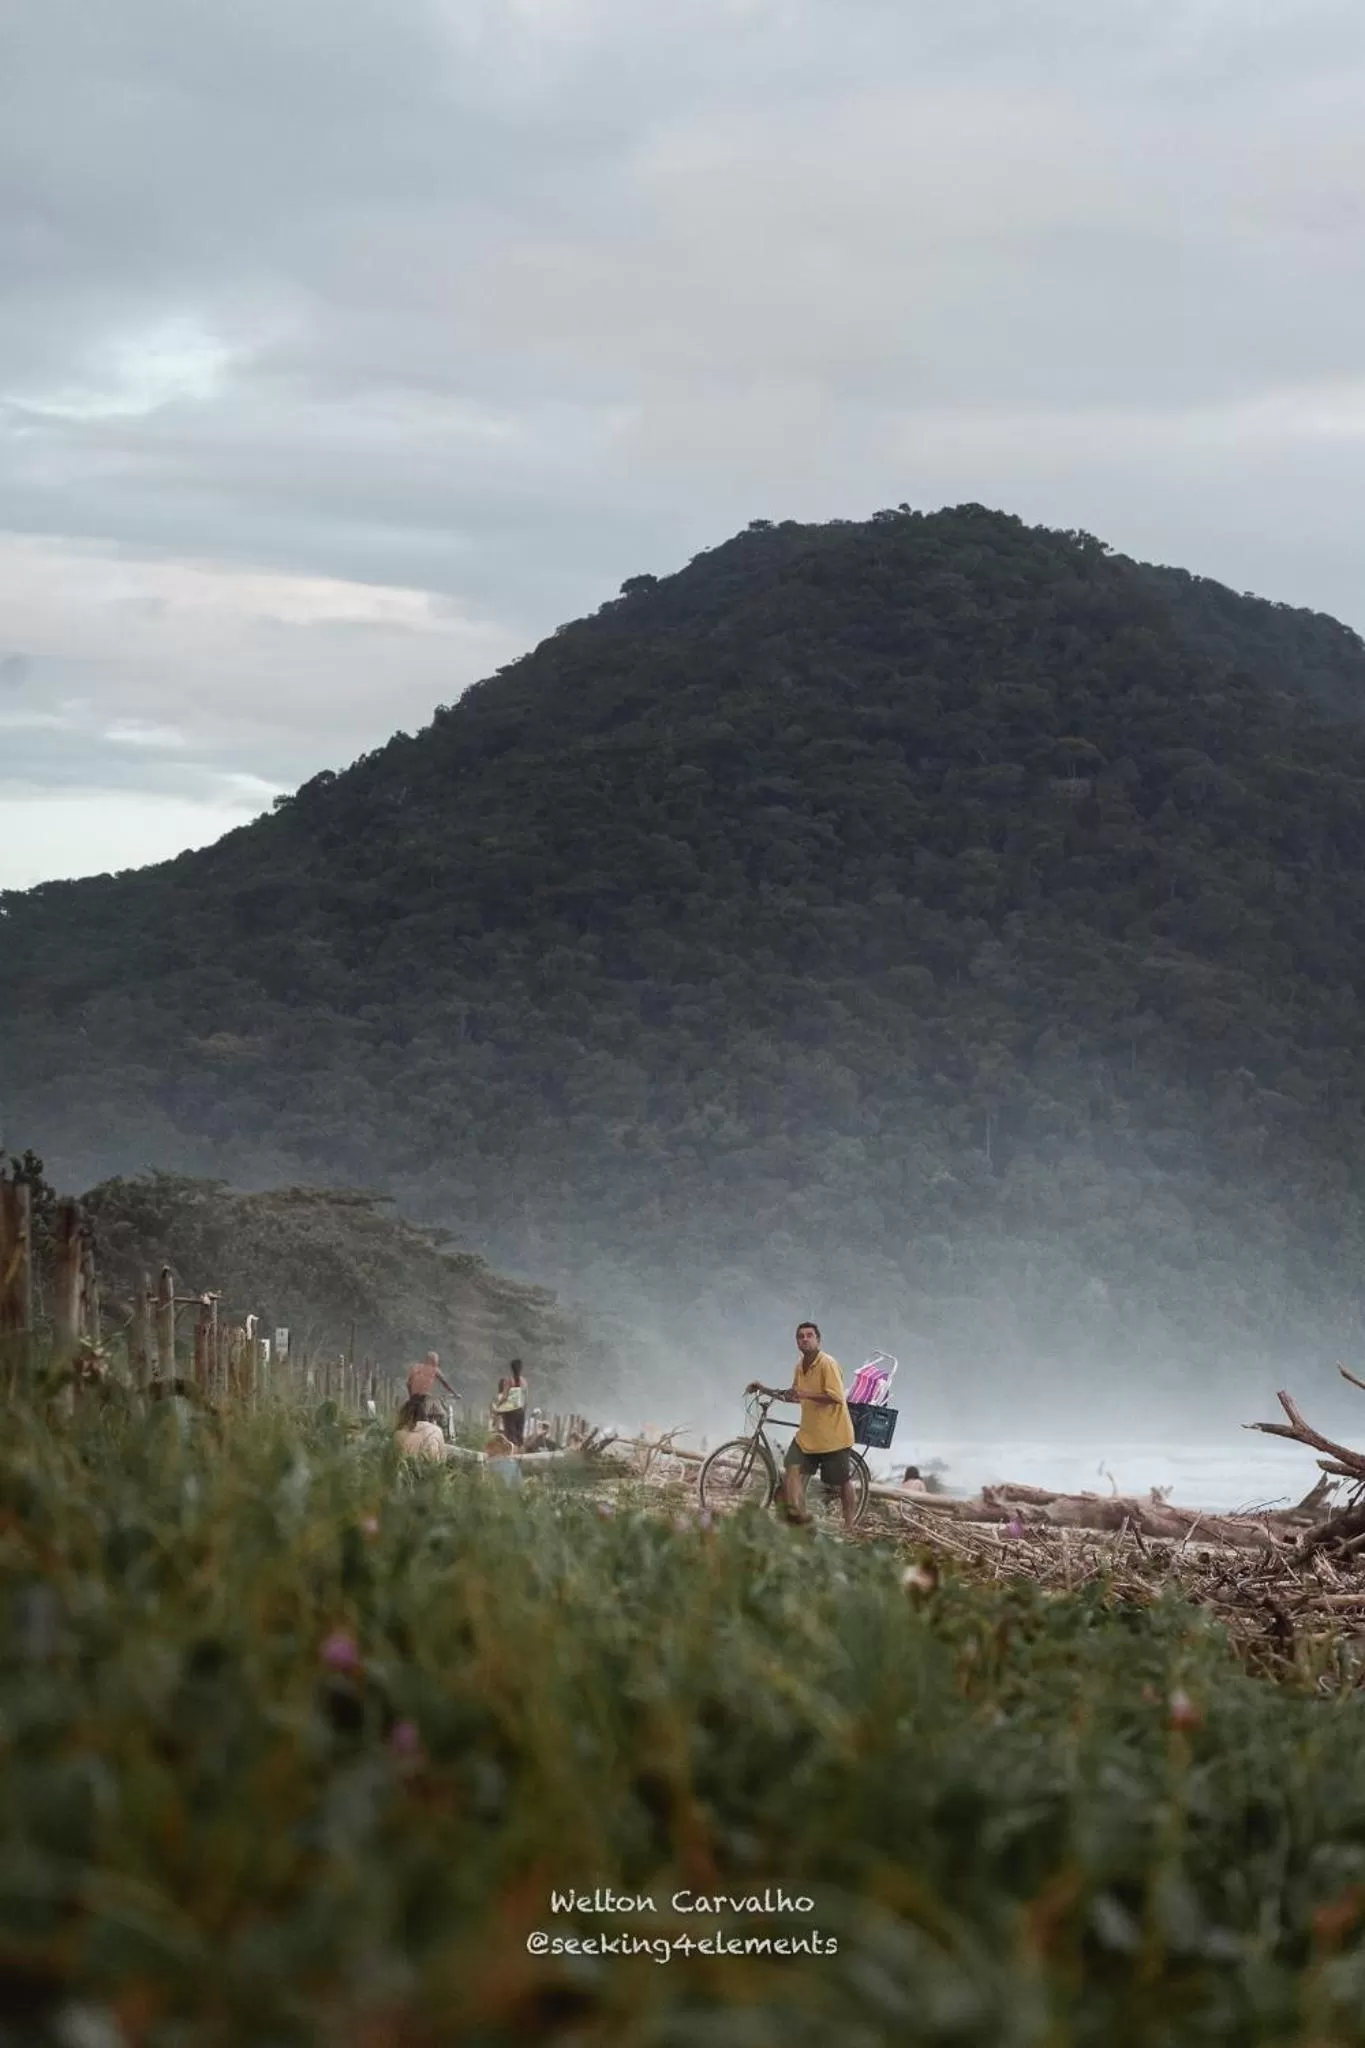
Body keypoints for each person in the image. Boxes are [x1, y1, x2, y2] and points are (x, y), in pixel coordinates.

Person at [747, 1321, 858, 1533]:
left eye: (809, 1335)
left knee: (841, 1481)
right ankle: (799, 1518)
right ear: (797, 1342)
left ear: (818, 1340)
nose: (805, 1339)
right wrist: (764, 1389)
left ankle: (850, 1525)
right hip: (808, 1435)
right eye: (800, 1336)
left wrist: (805, 1394)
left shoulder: (828, 1364)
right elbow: (794, 1394)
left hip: (833, 1435)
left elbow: (835, 1397)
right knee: (792, 1471)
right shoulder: (800, 1366)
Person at [394, 1393, 447, 1462]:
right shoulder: (437, 1430)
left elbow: (394, 1460)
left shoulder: (398, 1434)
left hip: (407, 1470)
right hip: (432, 1470)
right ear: (424, 1414)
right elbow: (443, 1459)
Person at [500, 1359, 527, 1448]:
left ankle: (512, 1452)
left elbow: (504, 1397)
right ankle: (519, 1451)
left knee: (511, 1433)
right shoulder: (524, 1381)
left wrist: (499, 1405)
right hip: (520, 1410)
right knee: (519, 1433)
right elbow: (525, 1397)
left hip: (510, 1411)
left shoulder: (509, 1381)